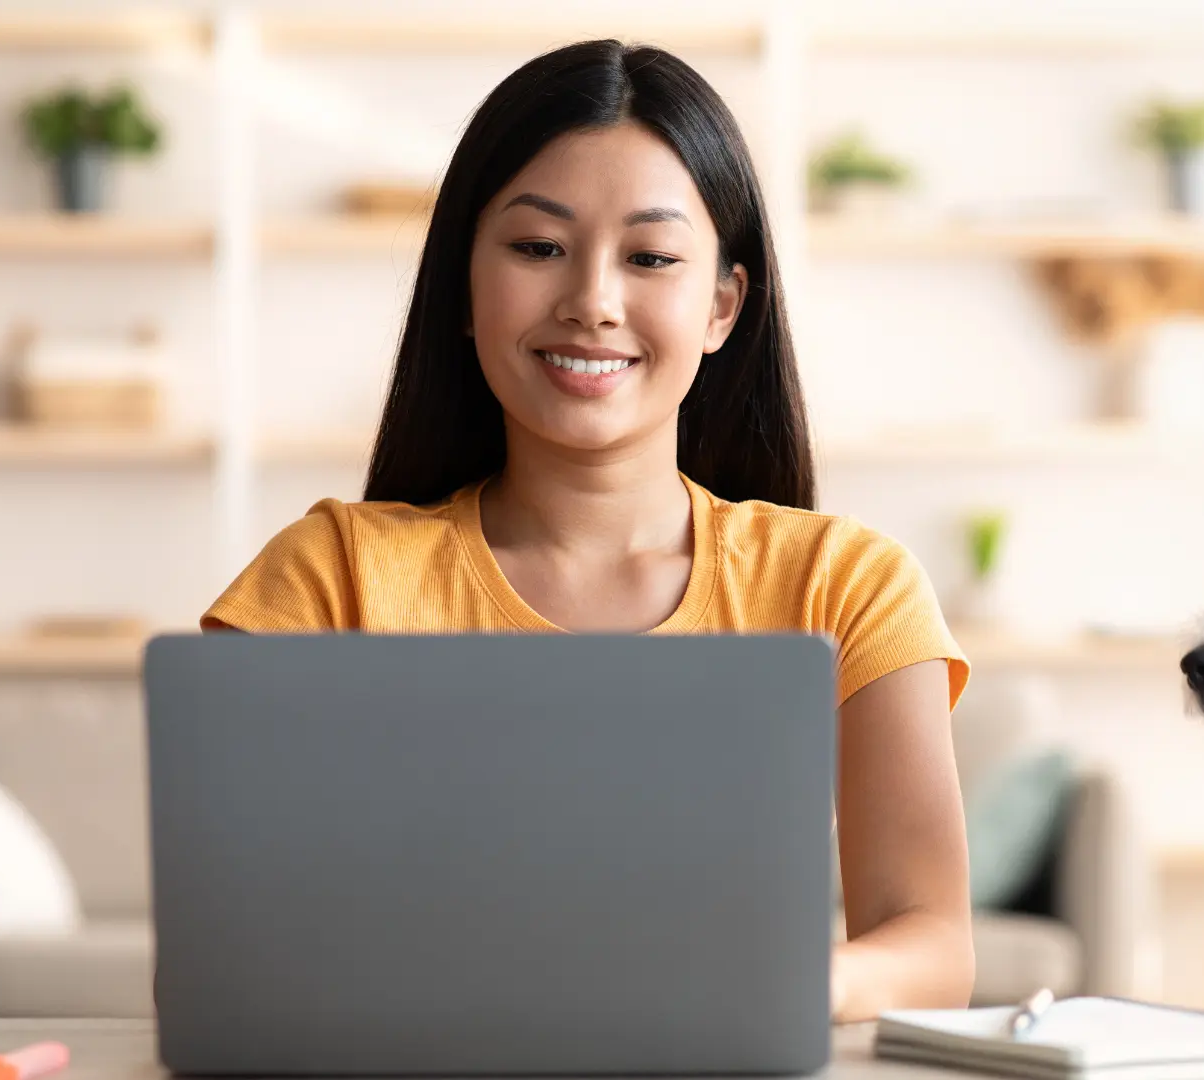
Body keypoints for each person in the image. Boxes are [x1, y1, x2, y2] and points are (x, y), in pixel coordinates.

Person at [200, 40, 974, 1022]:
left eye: (650, 257)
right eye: (536, 248)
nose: (592, 302)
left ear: (722, 305)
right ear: (467, 291)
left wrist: (784, 983)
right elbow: (217, 956)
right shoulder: (329, 578)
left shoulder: (846, 585)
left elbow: (934, 943)